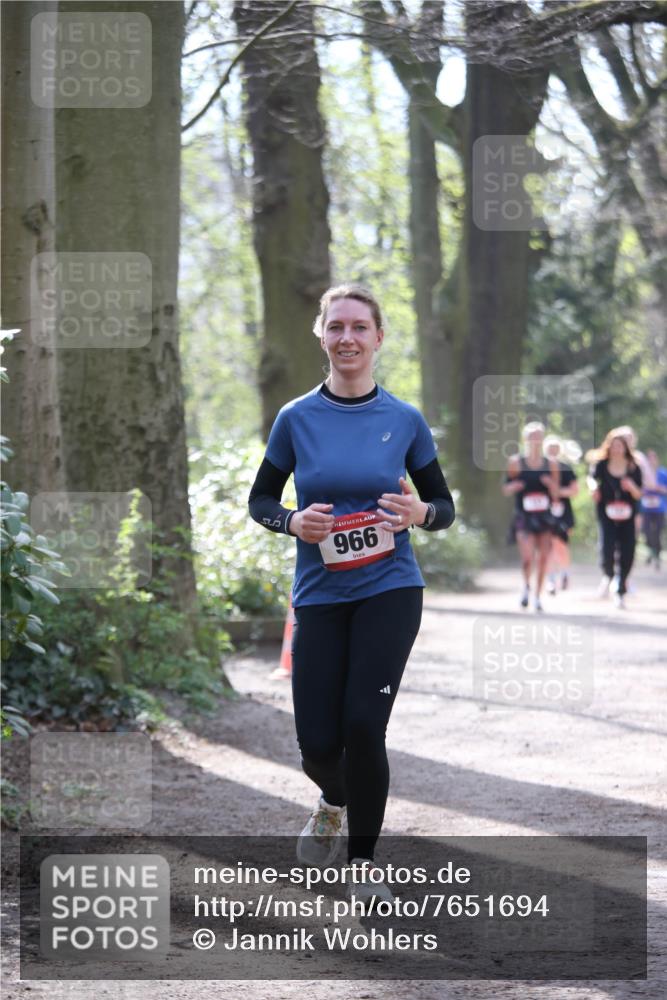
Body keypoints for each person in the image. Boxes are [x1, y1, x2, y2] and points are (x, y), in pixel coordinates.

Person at [248, 283, 455, 905]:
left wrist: (420, 514)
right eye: (336, 326)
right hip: (319, 594)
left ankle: (363, 866)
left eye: (360, 327)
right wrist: (292, 522)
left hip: (390, 589)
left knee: (364, 726)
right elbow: (261, 500)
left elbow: (443, 507)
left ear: (378, 338)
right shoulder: (296, 418)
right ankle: (333, 799)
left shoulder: (403, 420)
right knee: (317, 745)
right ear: (321, 335)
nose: (347, 338)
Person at [502, 423, 560, 612]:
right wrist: (514, 486)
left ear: (542, 439)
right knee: (527, 557)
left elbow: (557, 493)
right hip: (524, 515)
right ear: (525, 439)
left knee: (543, 558)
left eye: (538, 436)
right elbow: (506, 488)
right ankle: (526, 587)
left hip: (544, 516)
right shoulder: (516, 462)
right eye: (531, 436)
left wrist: (551, 484)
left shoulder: (551, 463)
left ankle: (537, 596)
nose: (535, 440)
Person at [585, 430, 643, 609]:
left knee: (628, 551)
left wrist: (631, 487)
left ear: (625, 448)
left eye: (620, 446)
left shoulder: (633, 467)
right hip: (607, 515)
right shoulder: (601, 465)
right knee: (607, 549)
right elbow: (591, 479)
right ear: (608, 447)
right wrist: (593, 489)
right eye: (614, 446)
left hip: (628, 516)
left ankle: (620, 590)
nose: (617, 449)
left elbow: (639, 494)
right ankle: (609, 575)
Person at [543, 436, 579, 594]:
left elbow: (574, 490)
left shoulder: (566, 468)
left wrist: (558, 491)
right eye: (550, 449)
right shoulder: (540, 469)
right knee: (548, 545)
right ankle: (550, 579)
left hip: (564, 512)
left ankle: (564, 573)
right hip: (544, 511)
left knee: (561, 545)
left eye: (555, 449)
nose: (552, 452)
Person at [641, 448, 667, 568]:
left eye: (653, 458)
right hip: (646, 508)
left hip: (659, 508)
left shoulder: (663, 473)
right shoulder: (642, 474)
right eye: (649, 459)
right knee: (646, 532)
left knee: (657, 532)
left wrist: (658, 488)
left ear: (657, 460)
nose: (651, 461)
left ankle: (657, 555)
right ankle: (652, 551)